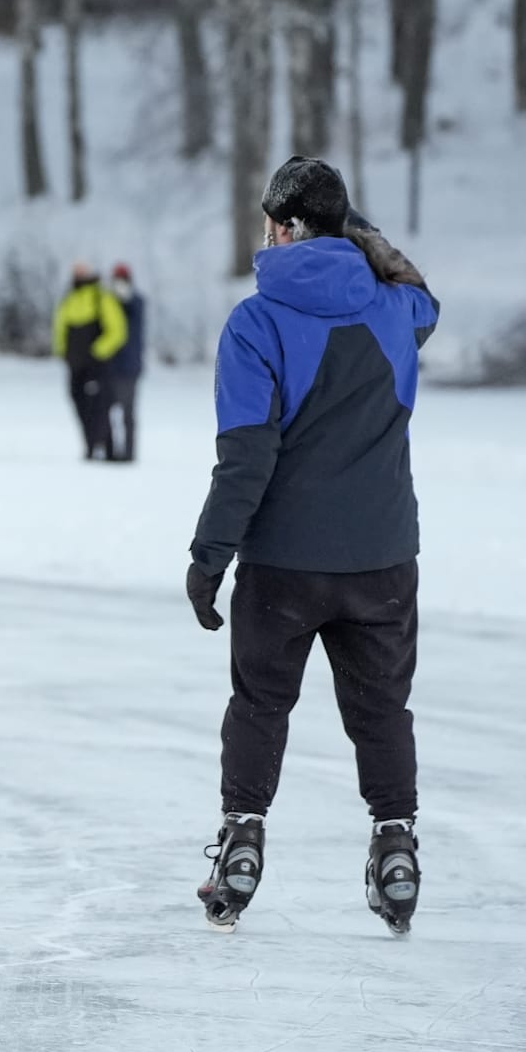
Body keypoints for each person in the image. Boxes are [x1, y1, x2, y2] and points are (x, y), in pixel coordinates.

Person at [187, 156, 438, 935]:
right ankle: (395, 845)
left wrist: (209, 554)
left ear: (283, 228)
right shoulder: (396, 311)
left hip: (284, 566)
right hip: (382, 560)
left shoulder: (255, 323)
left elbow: (245, 456)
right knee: (383, 709)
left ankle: (242, 837)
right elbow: (426, 299)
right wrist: (358, 236)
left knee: (260, 703)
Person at [52, 262, 130, 460]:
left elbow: (117, 330)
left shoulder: (101, 297)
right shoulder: (69, 299)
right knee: (80, 405)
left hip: (97, 365)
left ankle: (108, 449)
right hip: (75, 364)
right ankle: (90, 446)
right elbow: (60, 327)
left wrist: (98, 351)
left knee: (100, 406)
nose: (78, 275)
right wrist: (63, 351)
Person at [103, 263, 146, 463]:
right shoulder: (108, 303)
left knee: (128, 413)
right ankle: (110, 451)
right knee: (106, 411)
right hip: (110, 367)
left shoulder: (136, 303)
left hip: (129, 368)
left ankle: (128, 453)